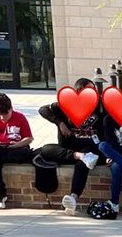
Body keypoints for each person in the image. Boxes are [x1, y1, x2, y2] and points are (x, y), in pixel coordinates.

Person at [35, 77, 105, 214]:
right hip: (70, 149)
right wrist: (59, 122)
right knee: (45, 149)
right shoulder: (67, 104)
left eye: (93, 89)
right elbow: (43, 110)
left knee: (83, 162)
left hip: (91, 148)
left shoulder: (100, 105)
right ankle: (79, 156)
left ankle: (73, 197)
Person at [0, 92, 34, 210]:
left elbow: (29, 139)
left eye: (5, 114)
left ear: (11, 108)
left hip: (17, 149)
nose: (3, 118)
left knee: (25, 153)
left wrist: (16, 145)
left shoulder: (20, 117)